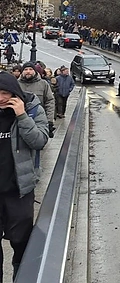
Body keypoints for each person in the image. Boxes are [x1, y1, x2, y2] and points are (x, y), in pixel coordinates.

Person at [0, 71, 49, 280]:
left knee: (21, 242)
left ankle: (21, 277)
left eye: (5, 93)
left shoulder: (32, 109)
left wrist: (21, 116)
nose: (1, 98)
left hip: (19, 190)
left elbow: (39, 141)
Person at [18, 62, 56, 138]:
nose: (28, 71)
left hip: (38, 119)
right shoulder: (16, 83)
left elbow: (50, 102)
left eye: (31, 69)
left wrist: (50, 120)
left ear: (35, 71)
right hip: (20, 118)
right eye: (25, 69)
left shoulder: (43, 84)